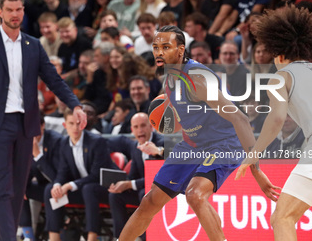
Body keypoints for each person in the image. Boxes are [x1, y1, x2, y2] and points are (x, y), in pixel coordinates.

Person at [117, 25, 278, 241]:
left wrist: (256, 171)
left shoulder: (197, 79)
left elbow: (240, 118)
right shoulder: (170, 77)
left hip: (225, 143)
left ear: (181, 50)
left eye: (166, 47)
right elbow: (191, 115)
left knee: (195, 194)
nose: (159, 52)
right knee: (149, 202)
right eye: (156, 47)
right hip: (193, 145)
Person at [0, 0, 87, 241]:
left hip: (26, 124)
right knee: (2, 186)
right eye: (10, 10)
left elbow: (53, 79)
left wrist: (75, 105)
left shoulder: (33, 45)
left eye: (19, 9)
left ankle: (6, 238)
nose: (15, 14)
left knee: (18, 187)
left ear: (23, 11)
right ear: (0, 12)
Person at [235, 5, 312, 241]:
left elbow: (277, 118)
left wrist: (254, 153)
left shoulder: (281, 77)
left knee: (282, 218)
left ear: (278, 54)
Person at [44, 108, 117, 241]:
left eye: (78, 123)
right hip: (82, 189)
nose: (75, 127)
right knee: (51, 189)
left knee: (89, 189)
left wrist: (70, 186)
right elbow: (62, 171)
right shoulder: (64, 143)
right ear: (65, 125)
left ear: (83, 124)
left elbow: (96, 175)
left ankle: (92, 237)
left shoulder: (96, 141)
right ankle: (54, 237)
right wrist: (58, 184)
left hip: (105, 187)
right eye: (71, 124)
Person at [108, 112, 164, 239]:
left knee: (143, 193)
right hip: (144, 190)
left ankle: (146, 237)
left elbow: (157, 178)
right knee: (115, 195)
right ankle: (121, 237)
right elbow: (133, 175)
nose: (140, 130)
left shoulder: (161, 143)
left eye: (143, 126)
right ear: (132, 130)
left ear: (151, 127)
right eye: (136, 127)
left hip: (162, 192)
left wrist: (129, 184)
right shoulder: (135, 146)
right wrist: (121, 184)